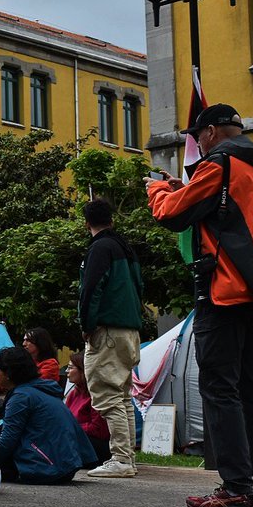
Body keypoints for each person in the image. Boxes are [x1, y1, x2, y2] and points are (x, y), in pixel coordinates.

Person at [147, 103, 253, 507]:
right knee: (252, 392)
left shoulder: (221, 164)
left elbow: (174, 215)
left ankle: (234, 488)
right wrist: (182, 186)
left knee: (220, 390)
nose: (197, 144)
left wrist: (157, 190)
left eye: (198, 137)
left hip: (223, 292)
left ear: (212, 132)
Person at [78, 197, 144, 479]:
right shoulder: (124, 248)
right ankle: (127, 456)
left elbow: (91, 288)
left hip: (107, 330)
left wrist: (87, 324)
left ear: (86, 223)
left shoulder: (100, 248)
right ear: (112, 220)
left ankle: (121, 459)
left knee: (107, 396)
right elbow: (140, 286)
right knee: (123, 396)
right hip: (130, 330)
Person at [0, 347, 95, 484]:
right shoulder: (42, 390)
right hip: (65, 467)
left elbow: (8, 439)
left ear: (8, 374)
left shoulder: (21, 397)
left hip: (45, 468)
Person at [64, 351, 110, 466]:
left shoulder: (96, 395)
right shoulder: (74, 393)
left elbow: (98, 430)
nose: (66, 371)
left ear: (83, 371)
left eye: (70, 368)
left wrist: (74, 428)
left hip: (95, 445)